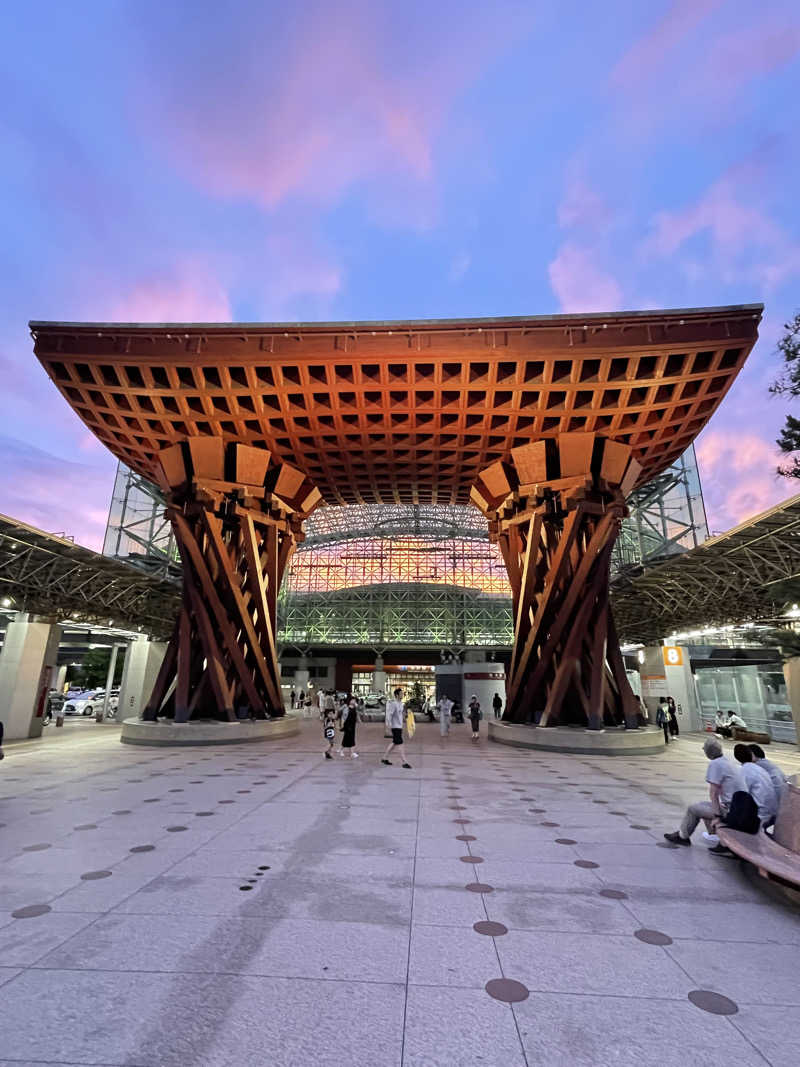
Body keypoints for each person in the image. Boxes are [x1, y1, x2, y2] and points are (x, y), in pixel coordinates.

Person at [663, 736, 745, 848]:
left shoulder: (715, 764)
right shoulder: (727, 762)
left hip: (731, 811)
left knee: (693, 809)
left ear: (708, 752)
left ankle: (683, 837)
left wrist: (717, 816)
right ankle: (713, 833)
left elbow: (713, 794)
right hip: (739, 808)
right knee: (703, 805)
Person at [733, 743, 778, 826]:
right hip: (773, 812)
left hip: (760, 816)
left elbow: (742, 796)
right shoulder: (760, 769)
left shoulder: (744, 771)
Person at [381, 687, 412, 768]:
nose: (402, 695)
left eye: (402, 693)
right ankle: (404, 762)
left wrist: (406, 717)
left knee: (394, 743)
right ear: (396, 695)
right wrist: (388, 726)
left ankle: (384, 758)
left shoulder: (401, 704)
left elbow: (401, 714)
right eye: (401, 693)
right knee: (400, 744)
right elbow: (389, 715)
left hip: (399, 726)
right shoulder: (393, 704)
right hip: (395, 727)